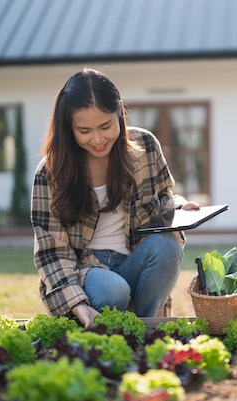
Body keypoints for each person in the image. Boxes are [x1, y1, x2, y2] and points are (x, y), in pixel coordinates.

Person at [31, 68, 200, 329]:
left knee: (168, 246)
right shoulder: (51, 172)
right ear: (68, 127)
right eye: (84, 130)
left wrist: (179, 207)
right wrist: (76, 303)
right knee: (114, 290)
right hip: (87, 274)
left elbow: (162, 196)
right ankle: (106, 330)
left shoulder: (145, 146)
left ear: (119, 113)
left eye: (106, 126)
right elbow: (51, 251)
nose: (98, 139)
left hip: (136, 261)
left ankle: (146, 329)